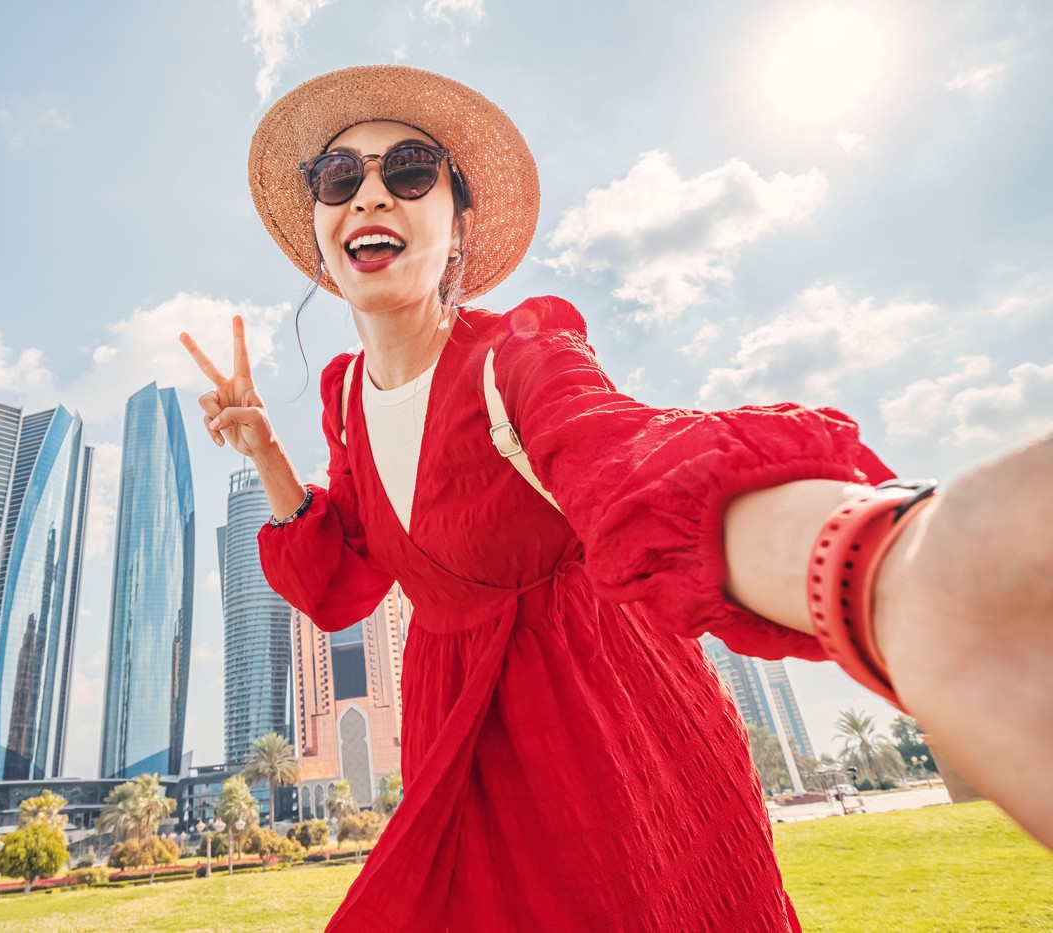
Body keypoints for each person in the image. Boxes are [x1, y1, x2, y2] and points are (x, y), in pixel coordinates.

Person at [180, 65, 1052, 931]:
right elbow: (343, 583)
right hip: (457, 742)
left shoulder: (521, 356)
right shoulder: (343, 399)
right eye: (340, 176)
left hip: (609, 734)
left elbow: (634, 463)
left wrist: (881, 568)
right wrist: (264, 452)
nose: (371, 192)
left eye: (409, 169)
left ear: (457, 223)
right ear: (322, 226)